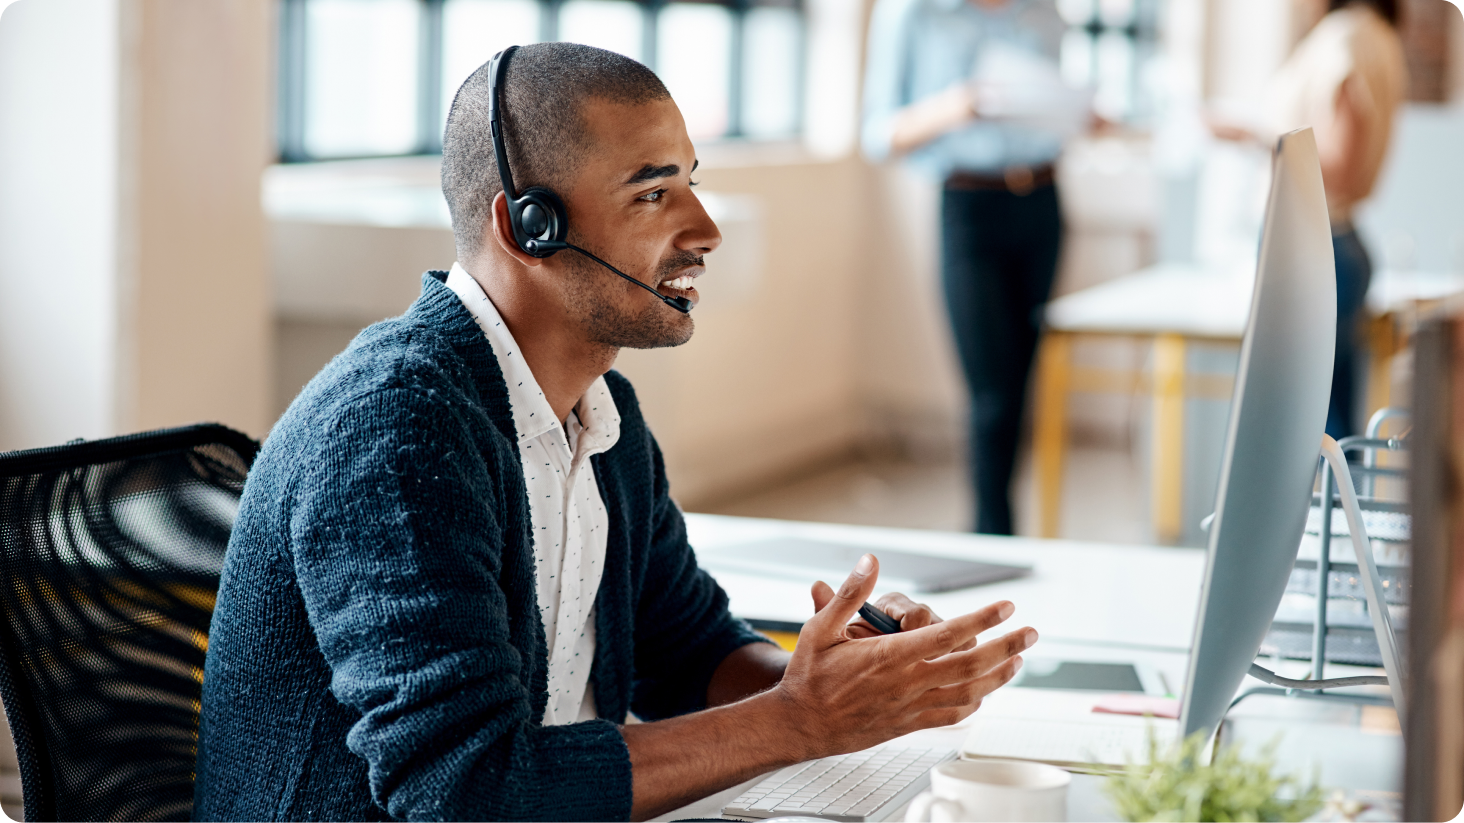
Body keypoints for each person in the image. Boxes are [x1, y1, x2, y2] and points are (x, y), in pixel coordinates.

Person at [193, 43, 1035, 822]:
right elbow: (463, 788)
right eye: (654, 193)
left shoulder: (601, 411)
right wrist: (797, 722)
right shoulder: (396, 431)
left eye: (692, 184)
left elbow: (686, 648)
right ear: (529, 228)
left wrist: (839, 682)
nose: (704, 230)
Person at [862, 0, 1071, 535]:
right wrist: (955, 106)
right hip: (969, 207)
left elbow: (1054, 103)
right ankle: (991, 530)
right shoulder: (914, 14)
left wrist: (1075, 112)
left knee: (1023, 378)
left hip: (1044, 199)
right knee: (991, 389)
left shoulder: (1043, 11)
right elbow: (878, 135)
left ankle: (1007, 525)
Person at [1213, 0, 1405, 439]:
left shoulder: (1346, 38)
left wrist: (1248, 135)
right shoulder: (1376, 35)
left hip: (1314, 246)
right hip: (1336, 241)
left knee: (1304, 431)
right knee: (1328, 424)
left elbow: (1337, 162)